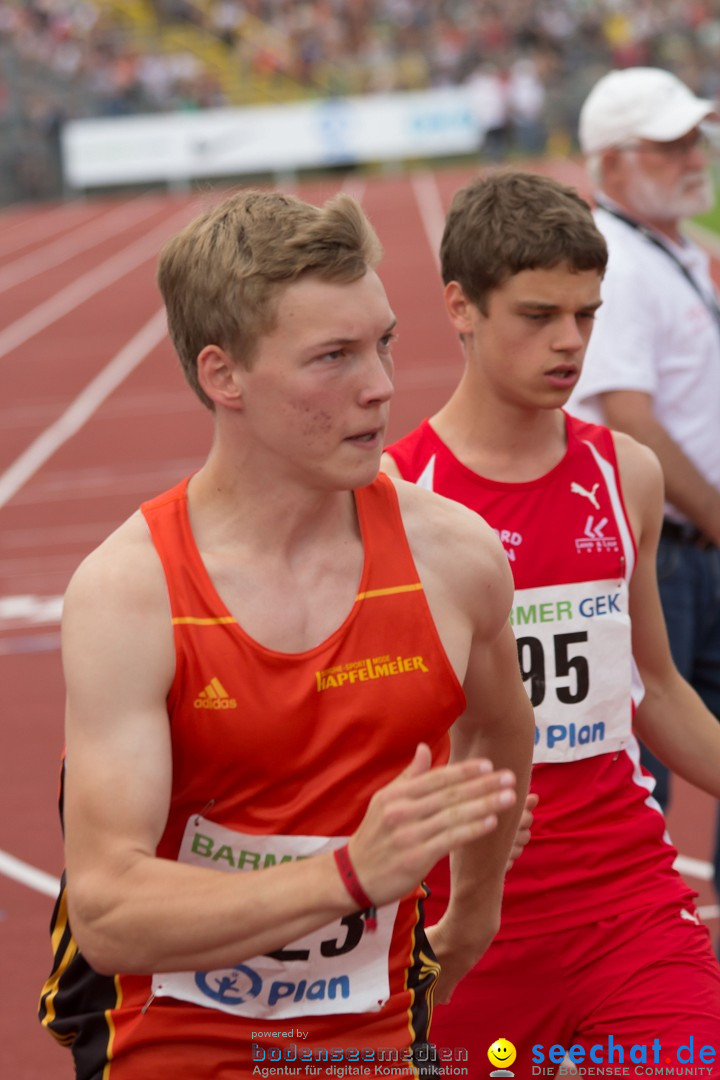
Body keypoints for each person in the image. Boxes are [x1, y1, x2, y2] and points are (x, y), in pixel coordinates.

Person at [37, 189, 534, 1079]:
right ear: (223, 375)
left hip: (371, 1050)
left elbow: (500, 731)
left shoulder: (454, 559)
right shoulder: (132, 593)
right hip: (171, 1051)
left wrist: (476, 910)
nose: (381, 385)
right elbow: (108, 913)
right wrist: (348, 877)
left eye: (382, 343)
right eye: (333, 357)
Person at [383, 170, 720, 1075]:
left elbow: (654, 688)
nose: (570, 343)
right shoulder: (395, 500)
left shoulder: (626, 475)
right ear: (461, 307)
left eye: (586, 315)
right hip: (463, 926)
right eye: (538, 316)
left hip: (626, 904)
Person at [567, 65, 720, 917]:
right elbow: (634, 421)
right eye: (670, 145)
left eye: (693, 138)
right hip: (665, 554)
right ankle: (630, 950)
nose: (693, 156)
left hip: (695, 548)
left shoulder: (674, 248)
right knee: (641, 768)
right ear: (614, 164)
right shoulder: (616, 261)